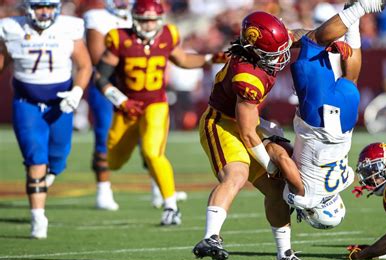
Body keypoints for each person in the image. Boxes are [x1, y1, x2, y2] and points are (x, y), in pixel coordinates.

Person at [192, 0, 384, 260]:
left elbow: (304, 36)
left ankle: (285, 255)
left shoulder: (263, 48)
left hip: (253, 123)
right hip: (223, 124)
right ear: (254, 50)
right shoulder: (247, 75)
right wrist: (270, 162)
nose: (281, 56)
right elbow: (247, 134)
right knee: (237, 174)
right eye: (274, 52)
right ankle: (211, 236)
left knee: (276, 190)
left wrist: (325, 42)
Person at [94, 0, 223, 225]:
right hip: (126, 109)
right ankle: (166, 199)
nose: (148, 25)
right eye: (144, 20)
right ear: (135, 19)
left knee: (154, 153)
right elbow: (100, 78)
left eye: (153, 20)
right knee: (113, 161)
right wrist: (121, 100)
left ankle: (170, 206)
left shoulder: (167, 35)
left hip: (155, 104)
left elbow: (182, 59)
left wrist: (210, 58)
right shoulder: (119, 38)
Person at [264, 0, 385, 229]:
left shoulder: (345, 180)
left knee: (350, 78)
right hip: (320, 120)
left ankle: (354, 21)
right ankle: (362, 7)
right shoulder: (304, 197)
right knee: (314, 41)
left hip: (346, 123)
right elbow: (280, 157)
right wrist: (264, 141)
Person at [0, 0, 92, 238]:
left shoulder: (68, 27)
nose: (45, 11)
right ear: (29, 8)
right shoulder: (11, 28)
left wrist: (77, 92)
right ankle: (38, 216)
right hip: (26, 104)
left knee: (58, 158)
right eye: (40, 6)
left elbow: (84, 66)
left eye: (50, 7)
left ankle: (45, 179)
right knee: (35, 159)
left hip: (60, 103)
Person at [83, 0, 133, 211]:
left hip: (134, 84)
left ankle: (159, 190)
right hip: (107, 84)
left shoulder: (139, 14)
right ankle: (103, 189)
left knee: (148, 134)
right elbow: (97, 57)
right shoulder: (97, 17)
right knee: (104, 132)